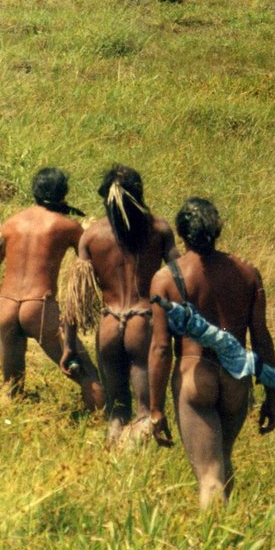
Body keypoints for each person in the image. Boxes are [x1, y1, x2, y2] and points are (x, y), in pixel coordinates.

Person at [149, 198, 275, 509]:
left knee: (209, 475)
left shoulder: (166, 278)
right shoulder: (248, 272)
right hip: (237, 379)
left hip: (196, 374)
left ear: (181, 232)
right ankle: (230, 536)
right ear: (216, 229)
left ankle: (216, 546)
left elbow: (161, 347)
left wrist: (155, 408)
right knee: (222, 459)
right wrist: (271, 396)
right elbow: (261, 338)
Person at [61, 165, 177, 446]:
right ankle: (134, 466)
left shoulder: (92, 236)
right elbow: (180, 276)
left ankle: (114, 460)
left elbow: (75, 300)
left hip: (109, 323)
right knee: (145, 411)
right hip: (143, 321)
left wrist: (69, 346)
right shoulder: (159, 229)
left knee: (116, 412)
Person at [0, 168, 104, 409]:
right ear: (63, 193)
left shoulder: (11, 223)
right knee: (88, 375)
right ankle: (103, 430)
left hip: (6, 304)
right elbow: (90, 267)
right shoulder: (67, 226)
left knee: (12, 385)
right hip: (40, 307)